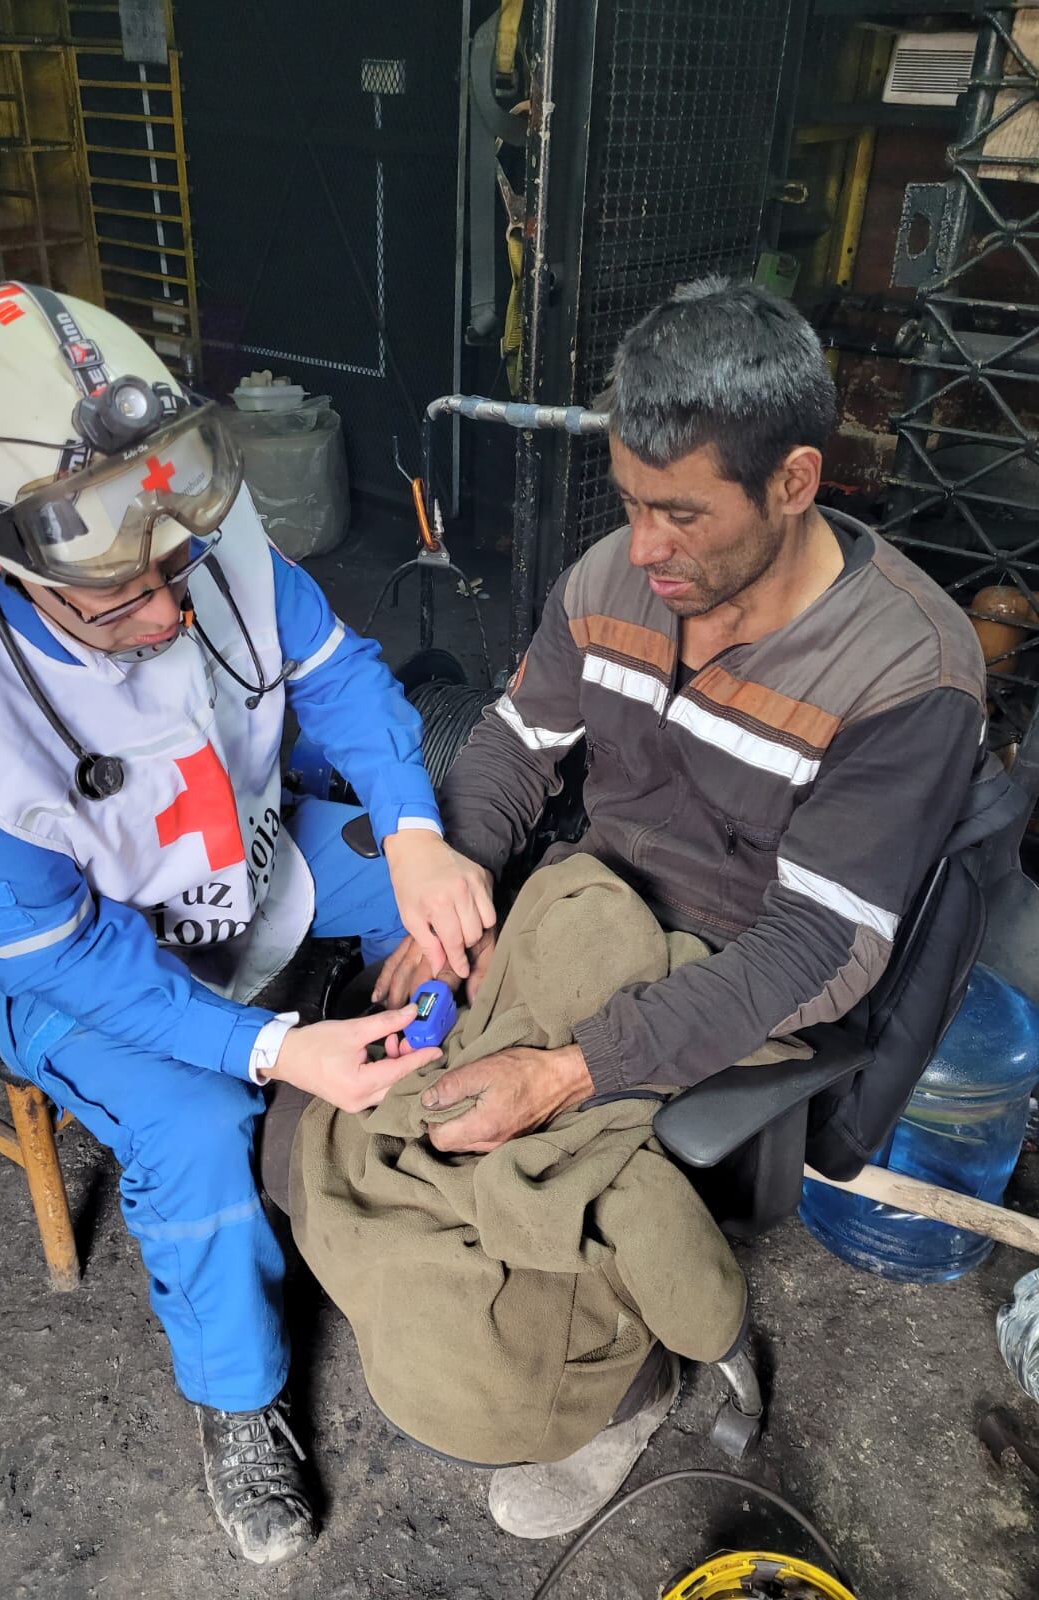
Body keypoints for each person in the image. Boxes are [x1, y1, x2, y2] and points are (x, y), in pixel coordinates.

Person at [0, 283, 493, 1567]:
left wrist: (415, 832)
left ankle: (440, 1107)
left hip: (230, 856)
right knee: (194, 1125)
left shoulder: (201, 526)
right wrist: (269, 1053)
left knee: (474, 904)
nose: (176, 607)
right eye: (125, 598)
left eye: (181, 563)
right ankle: (239, 1403)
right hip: (48, 957)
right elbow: (65, 954)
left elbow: (341, 679)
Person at [375, 276, 986, 1535]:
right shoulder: (612, 579)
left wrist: (567, 1071)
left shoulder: (906, 670)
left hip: (747, 970)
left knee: (513, 1162)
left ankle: (644, 1369)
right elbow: (509, 744)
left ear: (796, 482)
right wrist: (454, 887)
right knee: (363, 1111)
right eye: (628, 500)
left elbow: (821, 948)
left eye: (679, 513)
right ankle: (560, 1304)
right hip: (585, 908)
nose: (642, 548)